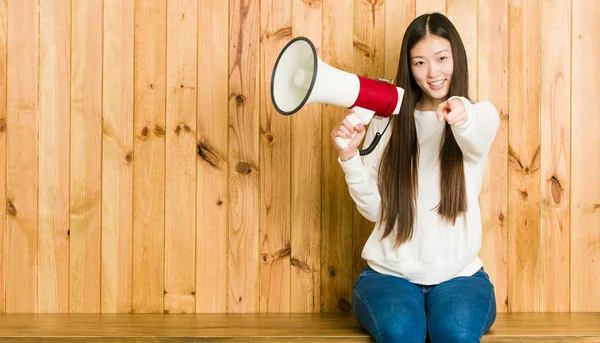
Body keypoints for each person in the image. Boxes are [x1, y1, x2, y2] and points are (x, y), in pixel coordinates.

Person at [331, 12, 500, 343]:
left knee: (455, 333)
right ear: (409, 67)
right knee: (401, 332)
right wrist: (350, 157)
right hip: (388, 277)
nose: (433, 73)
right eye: (420, 62)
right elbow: (377, 212)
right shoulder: (387, 121)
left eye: (441, 59)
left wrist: (461, 114)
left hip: (461, 279)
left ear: (457, 59)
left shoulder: (481, 116)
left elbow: (473, 134)